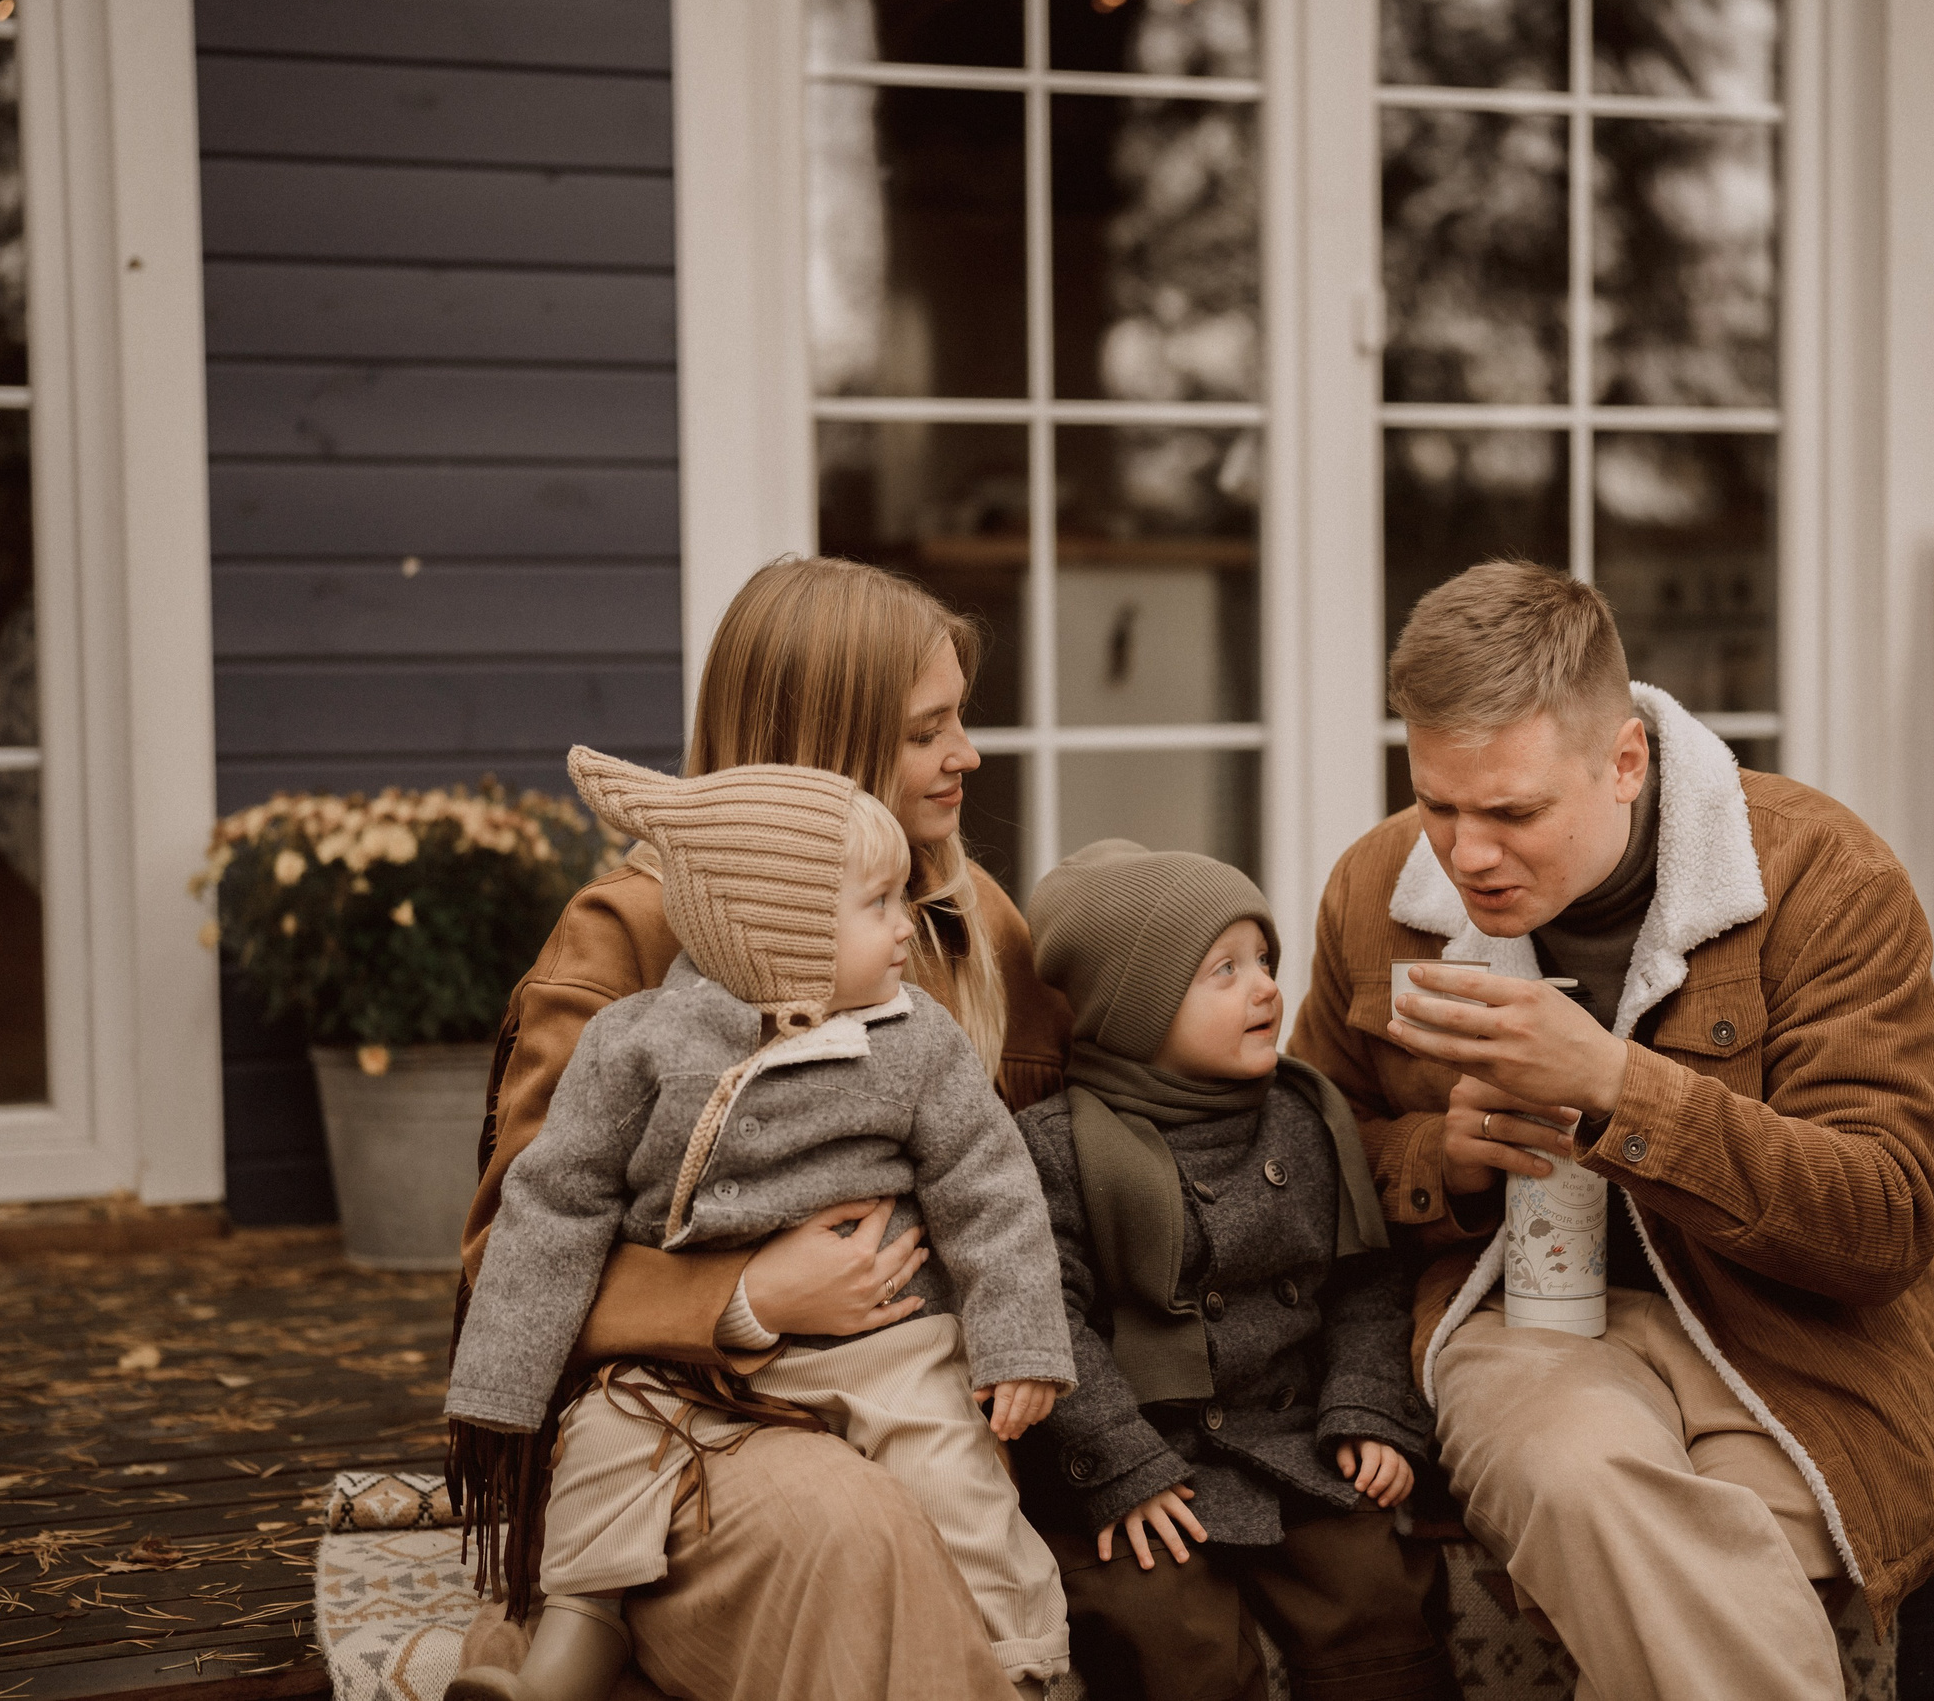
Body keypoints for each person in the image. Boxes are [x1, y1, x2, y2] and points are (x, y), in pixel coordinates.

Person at [1288, 561, 1934, 1700]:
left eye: (1512, 812)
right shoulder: (1376, 890)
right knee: (1582, 1479)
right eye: (1437, 803)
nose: (1464, 855)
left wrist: (1616, 1086)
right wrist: (1436, 1162)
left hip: (1785, 1345)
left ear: (1624, 763)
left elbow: (1885, 1219)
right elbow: (1297, 1156)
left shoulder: (1822, 876)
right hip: (1516, 1321)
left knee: (1691, 1552)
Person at [448, 557, 1076, 1701]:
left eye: (962, 721)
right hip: (688, 1399)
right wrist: (743, 1297)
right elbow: (509, 1257)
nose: (967, 756)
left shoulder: (968, 922)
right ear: (819, 754)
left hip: (923, 1381)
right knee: (851, 1531)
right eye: (927, 730)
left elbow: (1032, 1171)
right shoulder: (625, 940)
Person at [1013, 841, 1457, 1701]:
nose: (1264, 986)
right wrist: (1120, 1466)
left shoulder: (1303, 1114)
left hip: (1289, 1439)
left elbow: (1362, 1283)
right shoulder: (1057, 1146)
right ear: (1133, 1008)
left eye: (1264, 959)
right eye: (1224, 969)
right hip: (1144, 1454)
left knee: (1373, 1590)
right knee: (1166, 1625)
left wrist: (1364, 1411)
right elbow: (1047, 1320)